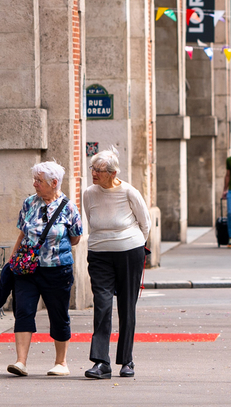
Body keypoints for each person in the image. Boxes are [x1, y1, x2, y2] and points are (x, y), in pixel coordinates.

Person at [7, 161, 84, 377]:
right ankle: (20, 362)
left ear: (54, 183)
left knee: (58, 314)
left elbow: (76, 238)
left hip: (57, 269)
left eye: (39, 181)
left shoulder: (69, 207)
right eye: (34, 180)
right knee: (23, 310)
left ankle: (61, 362)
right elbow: (22, 234)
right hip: (28, 269)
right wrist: (13, 260)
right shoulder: (29, 203)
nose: (34, 184)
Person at [83, 149, 150, 379]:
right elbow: (92, 222)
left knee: (126, 305)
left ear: (112, 173)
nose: (94, 174)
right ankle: (101, 362)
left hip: (129, 252)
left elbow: (145, 223)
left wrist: (137, 245)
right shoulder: (89, 193)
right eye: (92, 168)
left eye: (99, 171)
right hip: (99, 254)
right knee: (102, 304)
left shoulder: (129, 191)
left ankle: (126, 360)